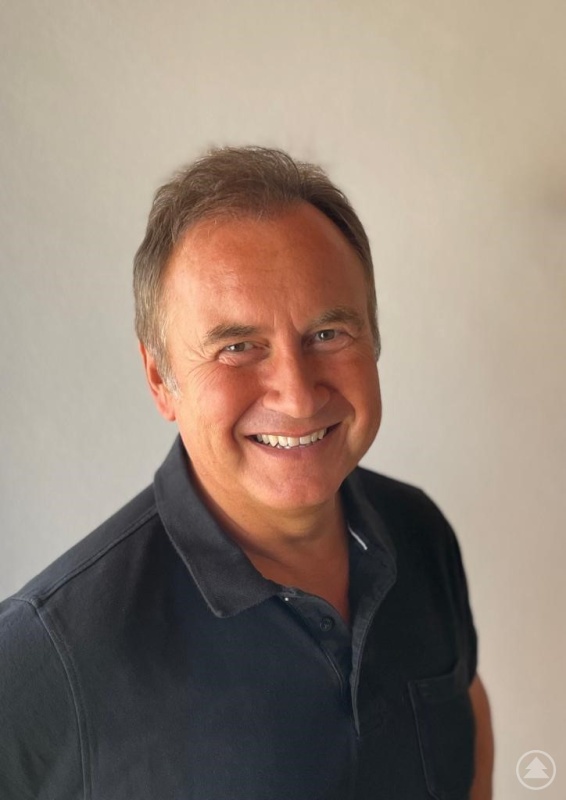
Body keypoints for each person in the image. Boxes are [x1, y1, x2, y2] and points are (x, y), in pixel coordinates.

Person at [0, 146, 493, 799]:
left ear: (373, 338)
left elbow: (468, 718)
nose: (298, 395)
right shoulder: (47, 650)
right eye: (237, 347)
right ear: (160, 378)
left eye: (328, 334)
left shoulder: (419, 531)